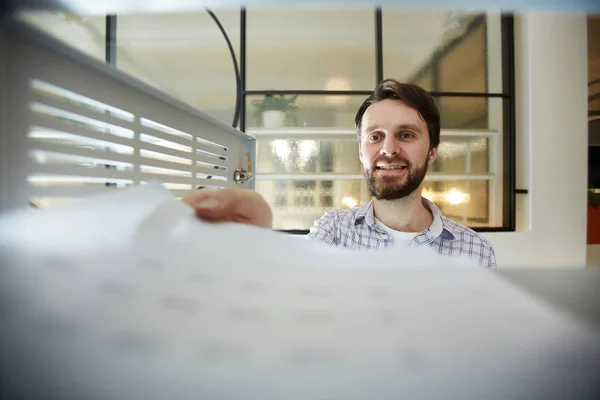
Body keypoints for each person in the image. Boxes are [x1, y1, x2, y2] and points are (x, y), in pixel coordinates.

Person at [183, 79, 496, 268]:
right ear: (361, 151)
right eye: (375, 136)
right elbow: (293, 286)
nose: (388, 149)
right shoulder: (332, 232)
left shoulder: (476, 252)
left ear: (432, 150)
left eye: (406, 134)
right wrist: (254, 243)